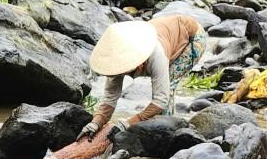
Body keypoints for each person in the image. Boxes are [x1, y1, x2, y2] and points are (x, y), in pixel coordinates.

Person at [79, 15, 207, 139]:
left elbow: (161, 100)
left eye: (128, 71)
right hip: (166, 34)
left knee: (170, 84)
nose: (125, 74)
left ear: (139, 63)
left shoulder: (156, 55)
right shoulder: (116, 61)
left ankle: (169, 134)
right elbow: (109, 99)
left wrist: (128, 124)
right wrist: (95, 123)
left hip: (192, 37)